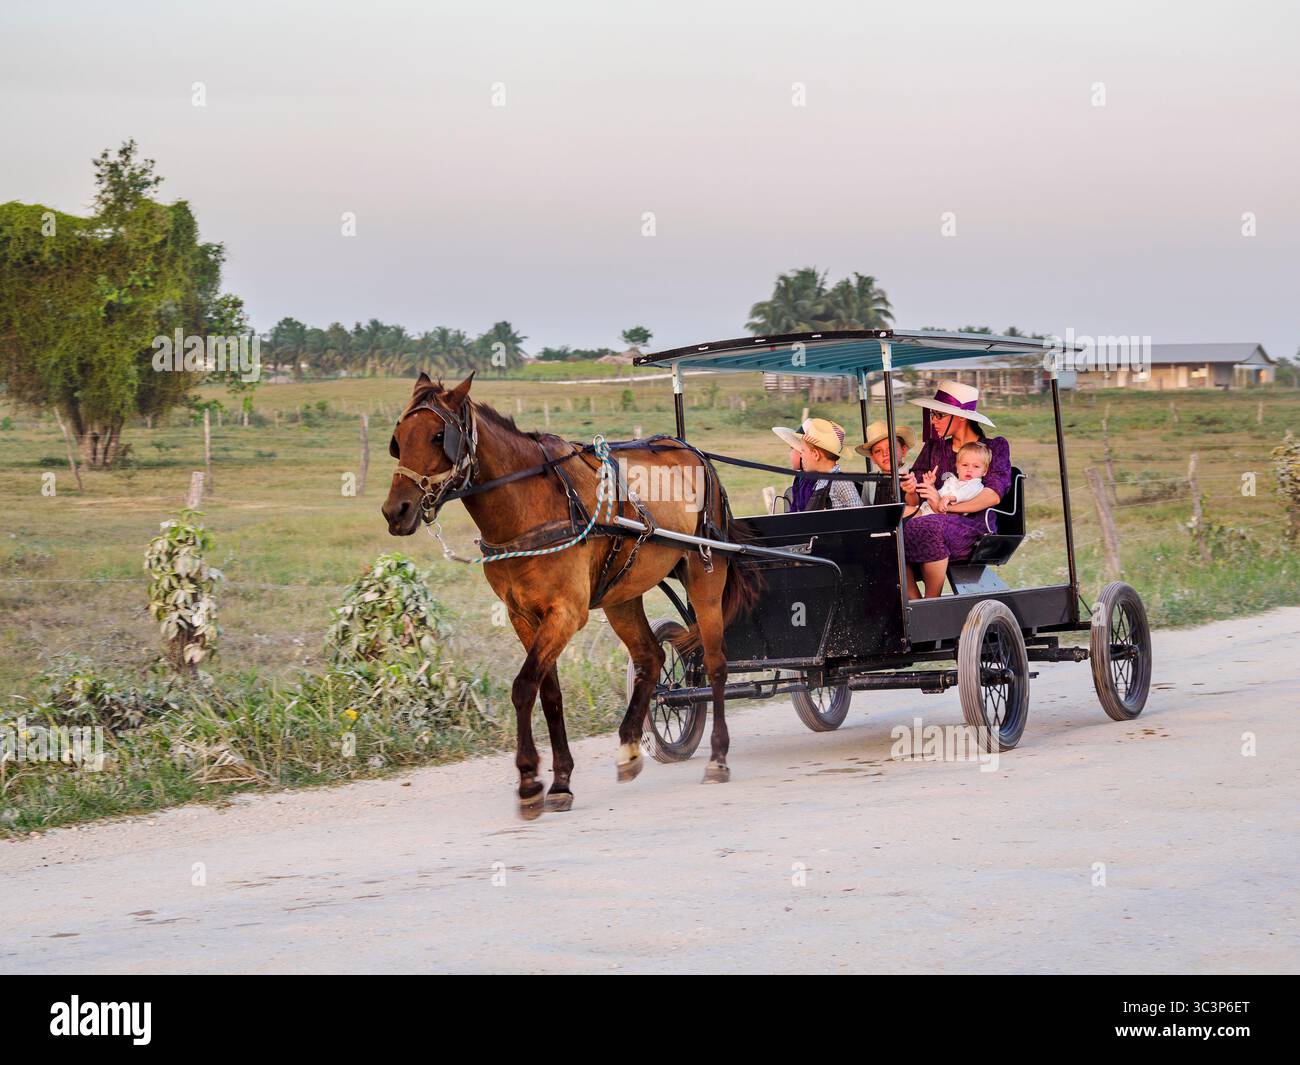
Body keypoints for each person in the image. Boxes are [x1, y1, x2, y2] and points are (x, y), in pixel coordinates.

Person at [899, 381, 1011, 599]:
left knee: (931, 525)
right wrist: (911, 489)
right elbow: (916, 496)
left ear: (960, 417)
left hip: (973, 523)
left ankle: (932, 601)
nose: (933, 421)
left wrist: (946, 507)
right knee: (890, 532)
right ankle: (913, 604)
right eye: (933, 415)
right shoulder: (934, 447)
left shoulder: (993, 447)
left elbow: (993, 494)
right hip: (931, 515)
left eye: (939, 415)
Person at [771, 417, 862, 511]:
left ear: (816, 454)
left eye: (803, 451)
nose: (801, 455)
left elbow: (860, 514)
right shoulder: (820, 482)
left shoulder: (841, 482)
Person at [915, 440, 990, 516]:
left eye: (976, 466)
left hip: (943, 515)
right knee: (905, 512)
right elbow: (938, 496)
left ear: (984, 471)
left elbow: (964, 493)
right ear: (957, 468)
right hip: (927, 509)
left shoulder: (975, 484)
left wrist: (948, 498)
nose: (969, 470)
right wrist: (931, 485)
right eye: (965, 465)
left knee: (906, 515)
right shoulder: (952, 481)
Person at [854, 420, 916, 505]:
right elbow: (866, 509)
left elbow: (915, 505)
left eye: (890, 447)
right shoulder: (870, 481)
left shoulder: (913, 474)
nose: (885, 454)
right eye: (878, 451)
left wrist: (911, 493)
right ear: (873, 459)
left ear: (903, 450)